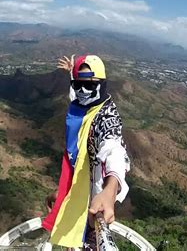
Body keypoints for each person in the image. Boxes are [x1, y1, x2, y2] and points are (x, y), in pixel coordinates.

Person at [42, 54, 130, 250]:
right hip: (78, 190)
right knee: (71, 243)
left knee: (88, 242)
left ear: (102, 84)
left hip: (94, 202)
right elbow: (77, 95)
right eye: (78, 85)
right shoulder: (83, 107)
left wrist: (109, 190)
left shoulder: (106, 116)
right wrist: (73, 74)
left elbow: (114, 150)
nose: (82, 90)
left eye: (89, 85)